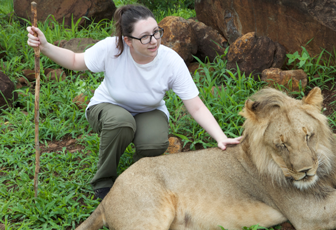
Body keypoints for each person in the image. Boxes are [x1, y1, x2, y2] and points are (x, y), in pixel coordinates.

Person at [27, 4, 241, 199]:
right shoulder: (111, 49)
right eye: (145, 37)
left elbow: (195, 106)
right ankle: (104, 182)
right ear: (127, 40)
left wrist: (221, 137)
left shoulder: (170, 61)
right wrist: (45, 46)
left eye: (157, 32)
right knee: (121, 123)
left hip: (149, 110)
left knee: (155, 142)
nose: (154, 40)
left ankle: (137, 175)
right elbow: (75, 60)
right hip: (107, 106)